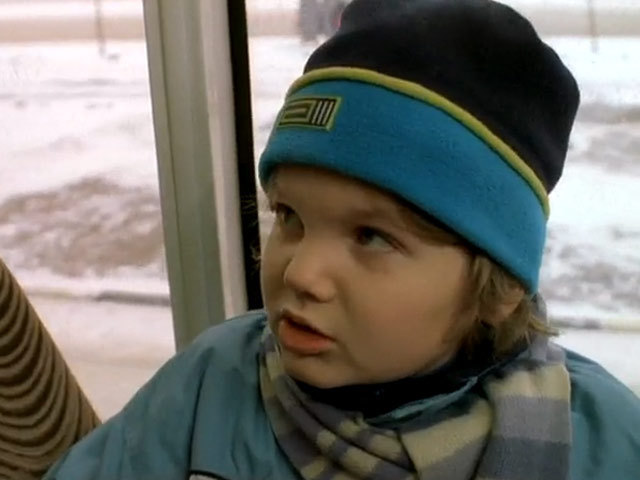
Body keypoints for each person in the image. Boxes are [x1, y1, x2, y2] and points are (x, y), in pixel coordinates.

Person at [45, 0, 640, 479]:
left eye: (372, 237)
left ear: (498, 287)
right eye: (290, 217)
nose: (300, 273)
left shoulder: (603, 441)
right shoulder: (209, 387)